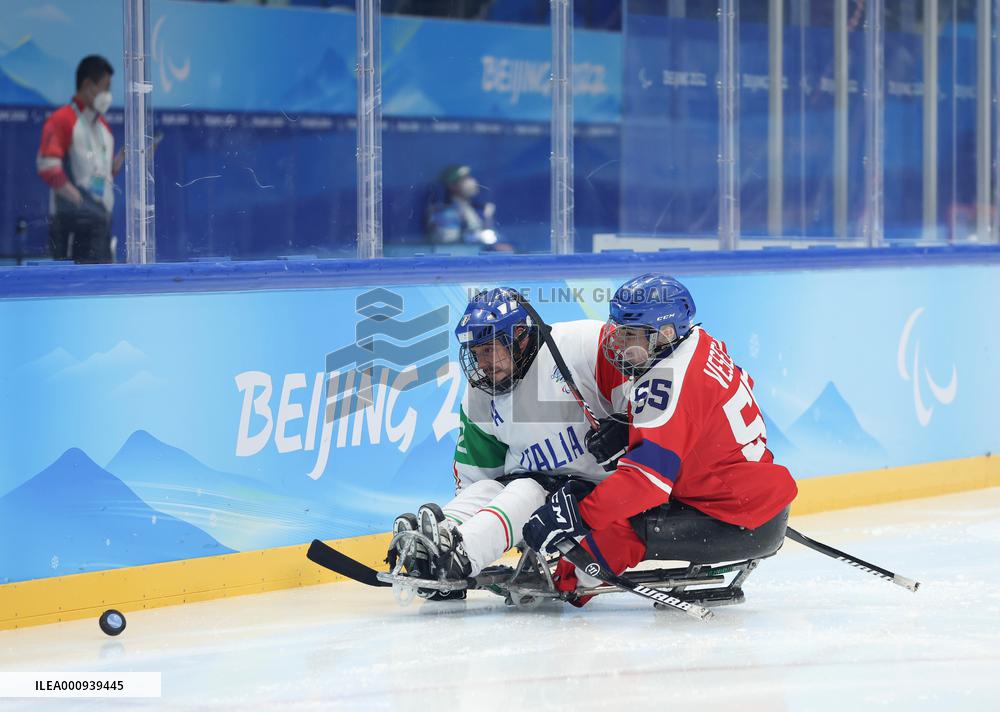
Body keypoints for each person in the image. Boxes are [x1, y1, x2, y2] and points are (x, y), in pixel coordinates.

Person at [522, 273, 798, 603]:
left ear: (665, 334)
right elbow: (705, 416)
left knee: (615, 529)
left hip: (735, 518)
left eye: (631, 335)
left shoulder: (665, 382)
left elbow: (646, 485)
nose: (618, 343)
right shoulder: (698, 342)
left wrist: (576, 516)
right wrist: (635, 431)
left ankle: (570, 580)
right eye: (619, 330)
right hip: (750, 500)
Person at [390, 287, 625, 598]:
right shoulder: (479, 395)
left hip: (593, 490)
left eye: (489, 350)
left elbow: (651, 384)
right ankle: (434, 548)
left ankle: (460, 559)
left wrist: (627, 426)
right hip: (534, 487)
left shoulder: (581, 344)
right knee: (488, 489)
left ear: (519, 336)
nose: (482, 363)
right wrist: (471, 517)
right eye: (476, 353)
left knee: (526, 490)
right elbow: (476, 477)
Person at [36, 55, 123, 263]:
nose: (108, 95)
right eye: (106, 87)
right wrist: (79, 201)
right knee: (71, 291)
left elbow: (102, 175)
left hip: (101, 223)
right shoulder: (62, 120)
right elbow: (48, 167)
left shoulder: (105, 129)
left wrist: (121, 161)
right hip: (72, 224)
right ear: (87, 85)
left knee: (103, 290)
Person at [426, 165, 511, 251]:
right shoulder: (446, 213)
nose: (471, 181)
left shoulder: (476, 209)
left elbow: (496, 237)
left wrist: (488, 220)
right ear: (452, 186)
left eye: (469, 177)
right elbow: (449, 243)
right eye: (464, 179)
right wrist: (480, 237)